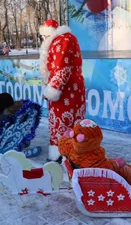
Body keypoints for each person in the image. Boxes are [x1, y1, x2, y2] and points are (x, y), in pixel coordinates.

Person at [39, 19, 86, 162]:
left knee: (60, 121)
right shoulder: (69, 38)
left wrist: (52, 89)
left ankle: (59, 152)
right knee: (76, 120)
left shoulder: (60, 41)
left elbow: (61, 68)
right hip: (75, 87)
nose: (44, 39)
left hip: (64, 90)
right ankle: (77, 151)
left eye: (45, 36)